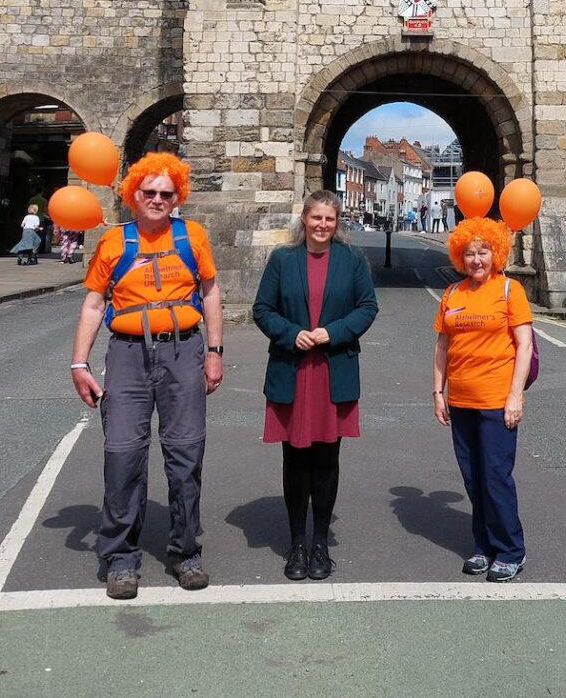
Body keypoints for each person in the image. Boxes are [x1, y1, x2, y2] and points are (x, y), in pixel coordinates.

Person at [70, 152, 223, 600]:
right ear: (132, 194)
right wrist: (79, 364)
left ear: (178, 196)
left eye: (166, 193)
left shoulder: (192, 236)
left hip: (183, 351)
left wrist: (214, 353)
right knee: (122, 455)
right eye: (149, 192)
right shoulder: (114, 243)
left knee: (185, 456)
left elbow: (211, 294)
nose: (157, 199)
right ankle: (120, 558)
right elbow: (94, 305)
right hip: (128, 355)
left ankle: (184, 552)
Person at [253, 190, 378, 582]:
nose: (322, 225)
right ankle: (296, 544)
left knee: (326, 460)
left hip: (332, 369)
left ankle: (320, 543)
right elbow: (262, 309)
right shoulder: (282, 260)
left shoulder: (353, 260)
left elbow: (367, 307)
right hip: (293, 369)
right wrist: (293, 334)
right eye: (316, 218)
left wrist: (332, 332)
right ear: (304, 220)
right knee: (295, 461)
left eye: (329, 219)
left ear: (336, 223)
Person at [432, 217, 533, 582]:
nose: (477, 259)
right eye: (470, 253)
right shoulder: (452, 293)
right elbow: (443, 346)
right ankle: (484, 545)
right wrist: (437, 393)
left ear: (496, 253)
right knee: (473, 478)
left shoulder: (510, 290)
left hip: (496, 400)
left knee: (495, 477)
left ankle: (510, 549)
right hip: (461, 400)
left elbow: (524, 345)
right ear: (461, 256)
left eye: (484, 251)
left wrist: (515, 396)